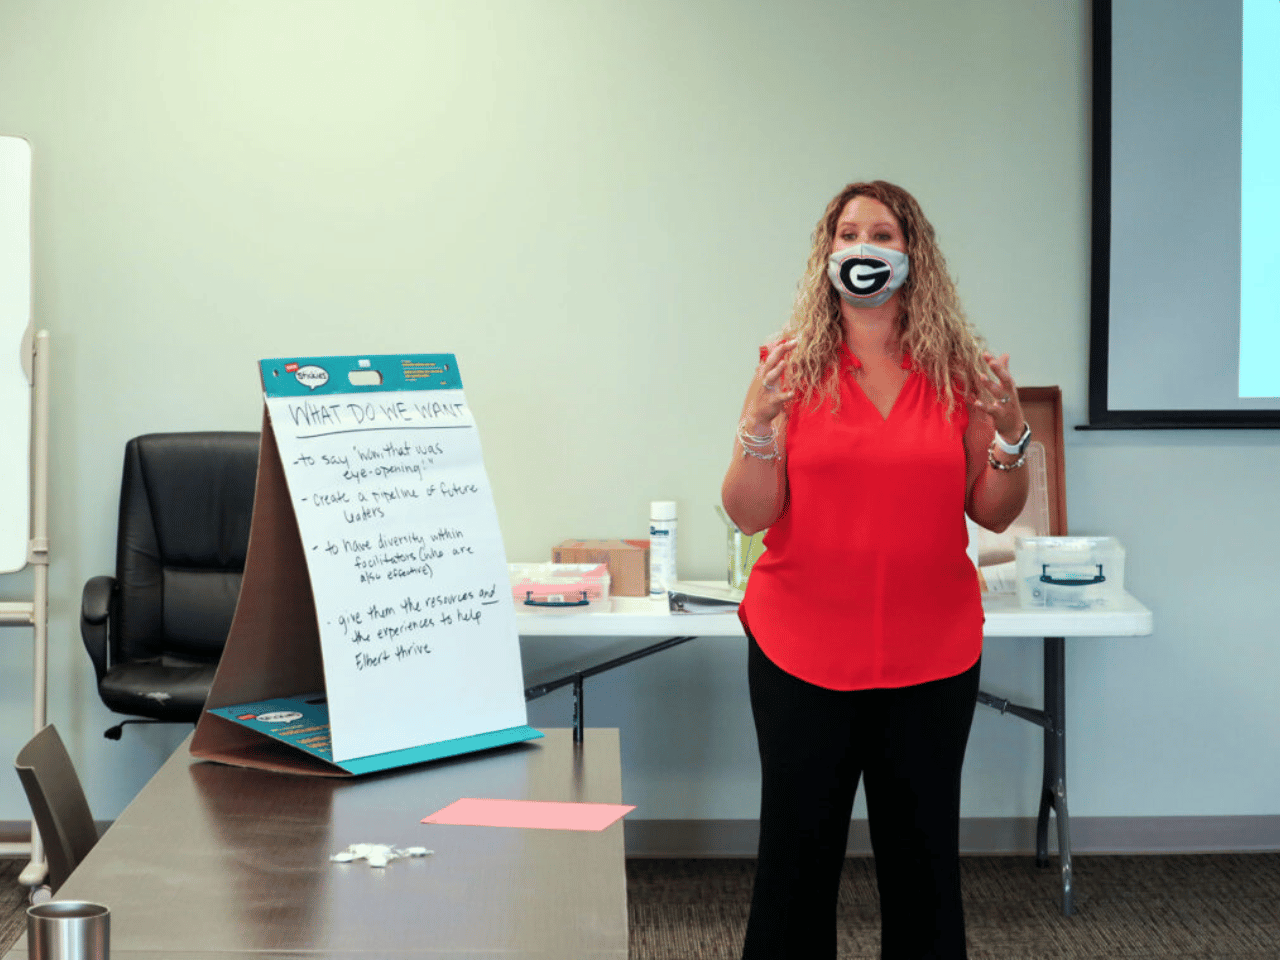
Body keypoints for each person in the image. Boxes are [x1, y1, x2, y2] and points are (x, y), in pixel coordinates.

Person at [721, 180, 1030, 960]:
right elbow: (750, 513)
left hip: (931, 657)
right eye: (847, 233)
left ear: (911, 255)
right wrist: (757, 424)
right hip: (801, 655)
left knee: (923, 876)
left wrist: (1013, 433)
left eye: (883, 234)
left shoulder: (959, 376)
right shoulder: (785, 369)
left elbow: (992, 512)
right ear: (827, 256)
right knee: (795, 873)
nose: (863, 247)